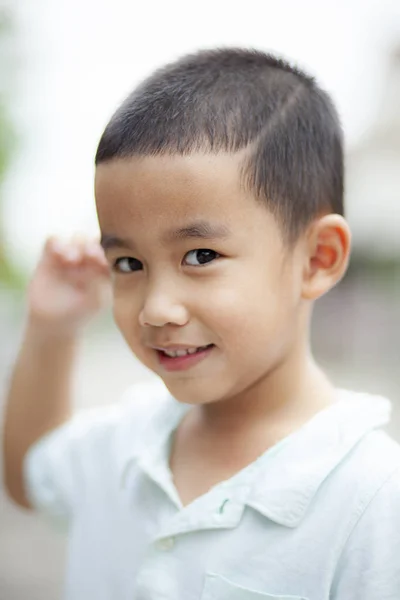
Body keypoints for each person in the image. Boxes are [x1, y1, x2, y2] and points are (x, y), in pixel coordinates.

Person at [3, 48, 400, 600]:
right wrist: (51, 329)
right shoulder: (127, 443)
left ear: (317, 259)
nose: (156, 308)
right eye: (128, 264)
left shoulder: (370, 499)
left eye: (201, 256)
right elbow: (29, 478)